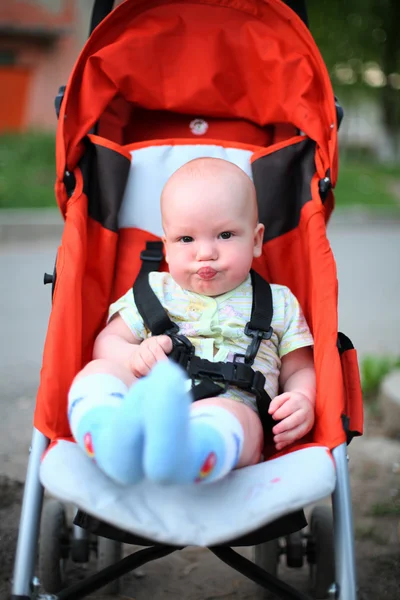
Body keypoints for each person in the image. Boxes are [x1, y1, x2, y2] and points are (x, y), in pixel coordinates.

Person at [68, 158, 315, 486]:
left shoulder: (279, 301)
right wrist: (132, 356)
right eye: (186, 239)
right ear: (166, 247)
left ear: (256, 240)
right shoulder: (155, 290)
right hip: (148, 397)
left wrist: (302, 399)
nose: (206, 253)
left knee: (240, 422)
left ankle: (185, 454)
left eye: (225, 235)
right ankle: (109, 437)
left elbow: (299, 369)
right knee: (99, 372)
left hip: (229, 404)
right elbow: (106, 342)